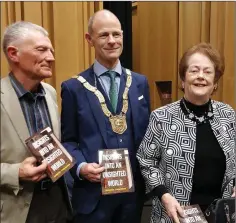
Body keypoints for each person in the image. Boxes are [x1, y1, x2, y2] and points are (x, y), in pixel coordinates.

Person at [61, 9, 151, 223]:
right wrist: (81, 168)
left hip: (133, 198)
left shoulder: (140, 83)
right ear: (89, 39)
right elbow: (69, 141)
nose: (112, 41)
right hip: (93, 197)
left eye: (116, 34)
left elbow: (148, 136)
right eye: (103, 35)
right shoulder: (73, 87)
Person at [136, 43, 236, 223]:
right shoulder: (162, 117)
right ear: (183, 79)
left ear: (215, 81)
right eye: (194, 71)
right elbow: (146, 160)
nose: (200, 76)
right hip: (175, 214)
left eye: (207, 72)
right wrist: (164, 195)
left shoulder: (228, 114)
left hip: (221, 215)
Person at [1, 21, 72, 223]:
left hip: (58, 203)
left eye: (51, 50)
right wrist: (16, 172)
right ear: (13, 53)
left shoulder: (50, 93)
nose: (51, 57)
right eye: (41, 50)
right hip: (16, 208)